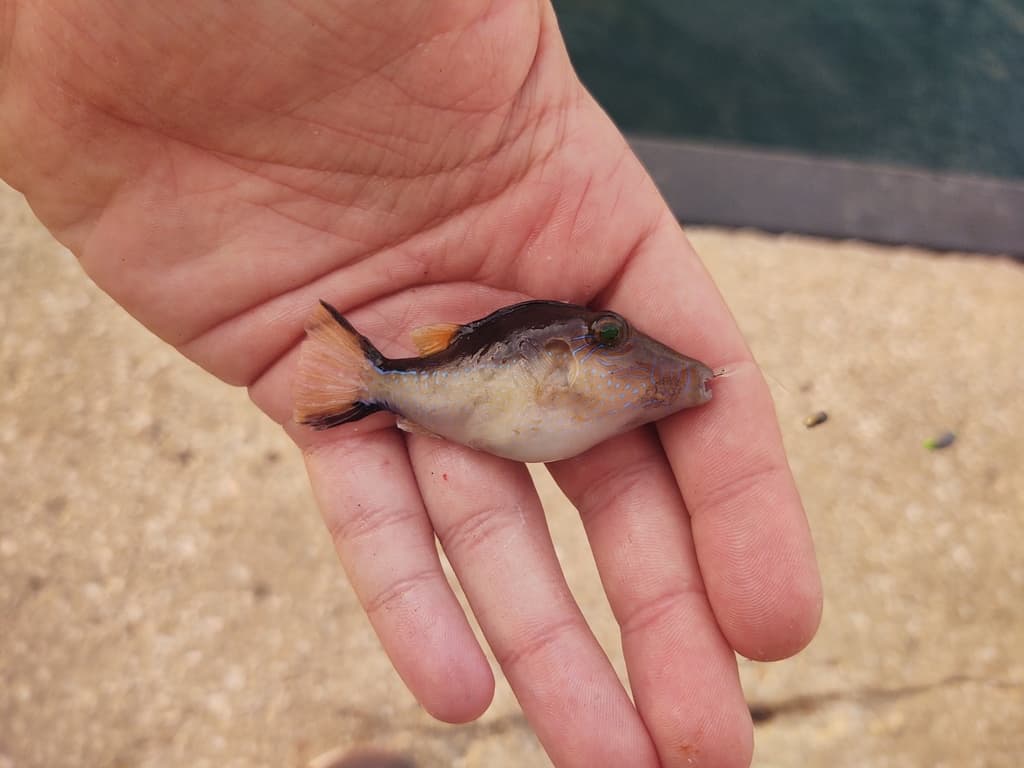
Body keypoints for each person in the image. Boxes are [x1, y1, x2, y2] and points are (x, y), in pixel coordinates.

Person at [0, 3, 821, 766]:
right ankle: (372, 379)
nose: (620, 343)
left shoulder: (605, 388)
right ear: (583, 348)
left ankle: (373, 380)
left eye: (612, 335)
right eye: (607, 335)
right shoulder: (574, 365)